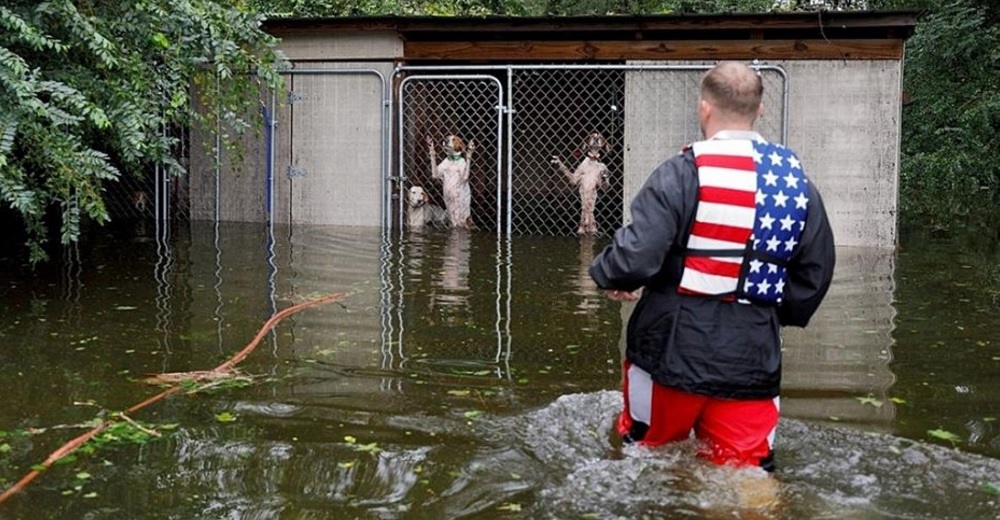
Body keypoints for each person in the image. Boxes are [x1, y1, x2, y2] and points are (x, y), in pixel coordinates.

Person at [588, 61, 836, 472]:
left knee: (646, 457)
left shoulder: (681, 172)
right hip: (753, 353)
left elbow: (636, 256)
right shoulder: (796, 183)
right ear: (760, 110)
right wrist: (767, 313)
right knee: (746, 473)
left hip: (671, 349)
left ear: (704, 108)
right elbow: (815, 273)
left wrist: (612, 275)